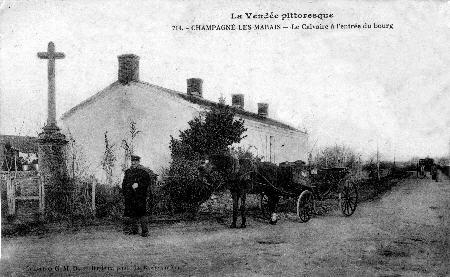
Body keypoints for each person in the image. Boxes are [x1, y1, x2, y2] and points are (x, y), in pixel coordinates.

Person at [122, 154, 155, 237]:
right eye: (132, 161)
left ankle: (145, 231)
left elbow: (147, 183)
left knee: (142, 212)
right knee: (131, 212)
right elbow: (124, 183)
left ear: (138, 162)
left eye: (135, 161)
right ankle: (134, 230)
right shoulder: (128, 172)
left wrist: (138, 184)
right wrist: (126, 192)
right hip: (130, 196)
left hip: (140, 196)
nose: (133, 163)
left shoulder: (143, 172)